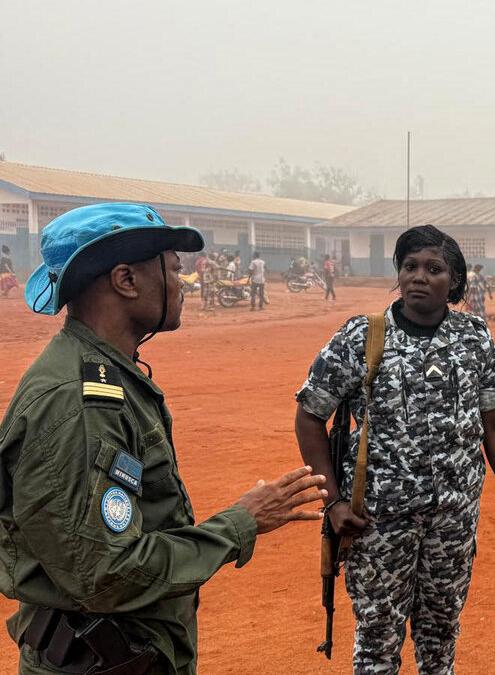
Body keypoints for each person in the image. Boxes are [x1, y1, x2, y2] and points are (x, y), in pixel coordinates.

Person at [0, 203, 325, 674]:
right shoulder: (79, 404)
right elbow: (108, 574)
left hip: (117, 656)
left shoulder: (108, 374)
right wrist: (239, 524)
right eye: (174, 268)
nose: (183, 283)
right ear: (126, 281)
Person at [295, 225, 495, 674]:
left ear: (454, 281)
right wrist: (334, 503)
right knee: (377, 643)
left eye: (433, 268)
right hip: (378, 526)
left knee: (441, 637)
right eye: (409, 266)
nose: (419, 276)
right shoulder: (361, 337)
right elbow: (309, 417)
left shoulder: (475, 338)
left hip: (453, 524)